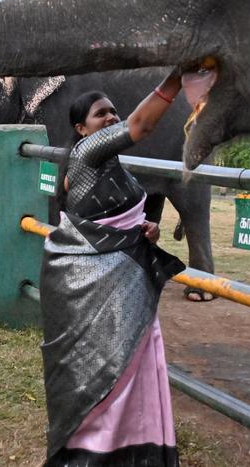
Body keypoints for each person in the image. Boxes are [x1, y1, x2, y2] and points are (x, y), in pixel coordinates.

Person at [39, 69, 187, 466]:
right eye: (101, 114)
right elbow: (140, 123)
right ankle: (95, 454)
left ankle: (134, 448)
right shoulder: (87, 154)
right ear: (81, 129)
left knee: (130, 368)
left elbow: (115, 219)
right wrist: (175, 81)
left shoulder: (114, 165)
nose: (110, 118)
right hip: (95, 289)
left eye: (112, 111)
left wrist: (146, 228)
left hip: (128, 284)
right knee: (102, 371)